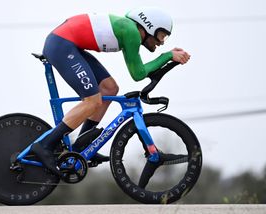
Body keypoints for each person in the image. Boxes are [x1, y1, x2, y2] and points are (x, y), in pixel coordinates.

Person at [31, 7, 191, 176]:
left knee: (109, 88)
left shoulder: (128, 29)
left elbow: (140, 71)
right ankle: (45, 145)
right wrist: (167, 56)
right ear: (149, 26)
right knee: (92, 100)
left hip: (67, 44)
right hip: (62, 45)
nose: (162, 42)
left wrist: (167, 58)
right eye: (162, 35)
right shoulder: (131, 31)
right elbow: (138, 74)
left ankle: (81, 147)